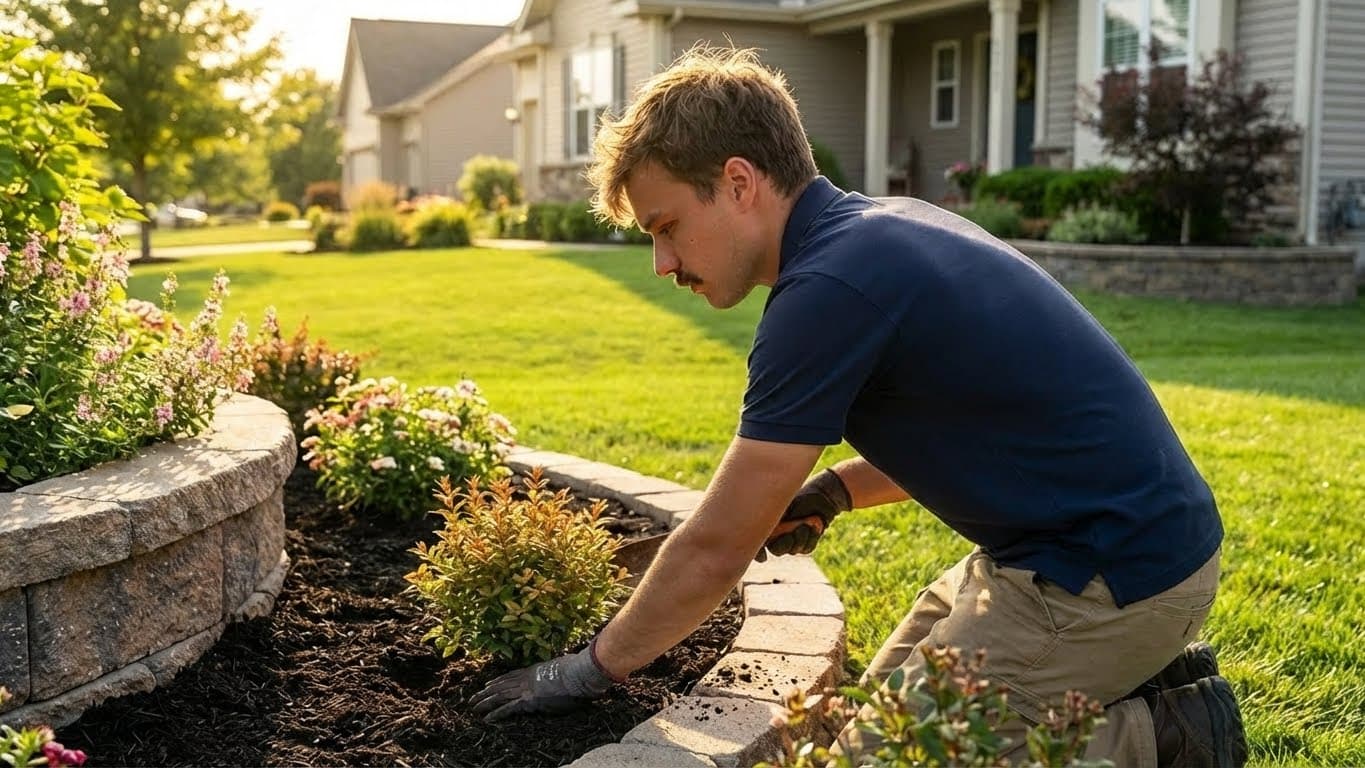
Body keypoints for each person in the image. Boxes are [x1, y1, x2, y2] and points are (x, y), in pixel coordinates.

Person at [470, 45, 1247, 768]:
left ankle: (1164, 735)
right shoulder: (879, 231)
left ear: (738, 182)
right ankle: (1132, 685)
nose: (662, 262)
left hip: (1105, 580)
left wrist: (585, 669)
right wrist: (836, 491)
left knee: (885, 759)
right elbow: (971, 421)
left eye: (666, 226)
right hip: (1101, 553)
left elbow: (716, 547)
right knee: (849, 730)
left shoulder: (828, 291)